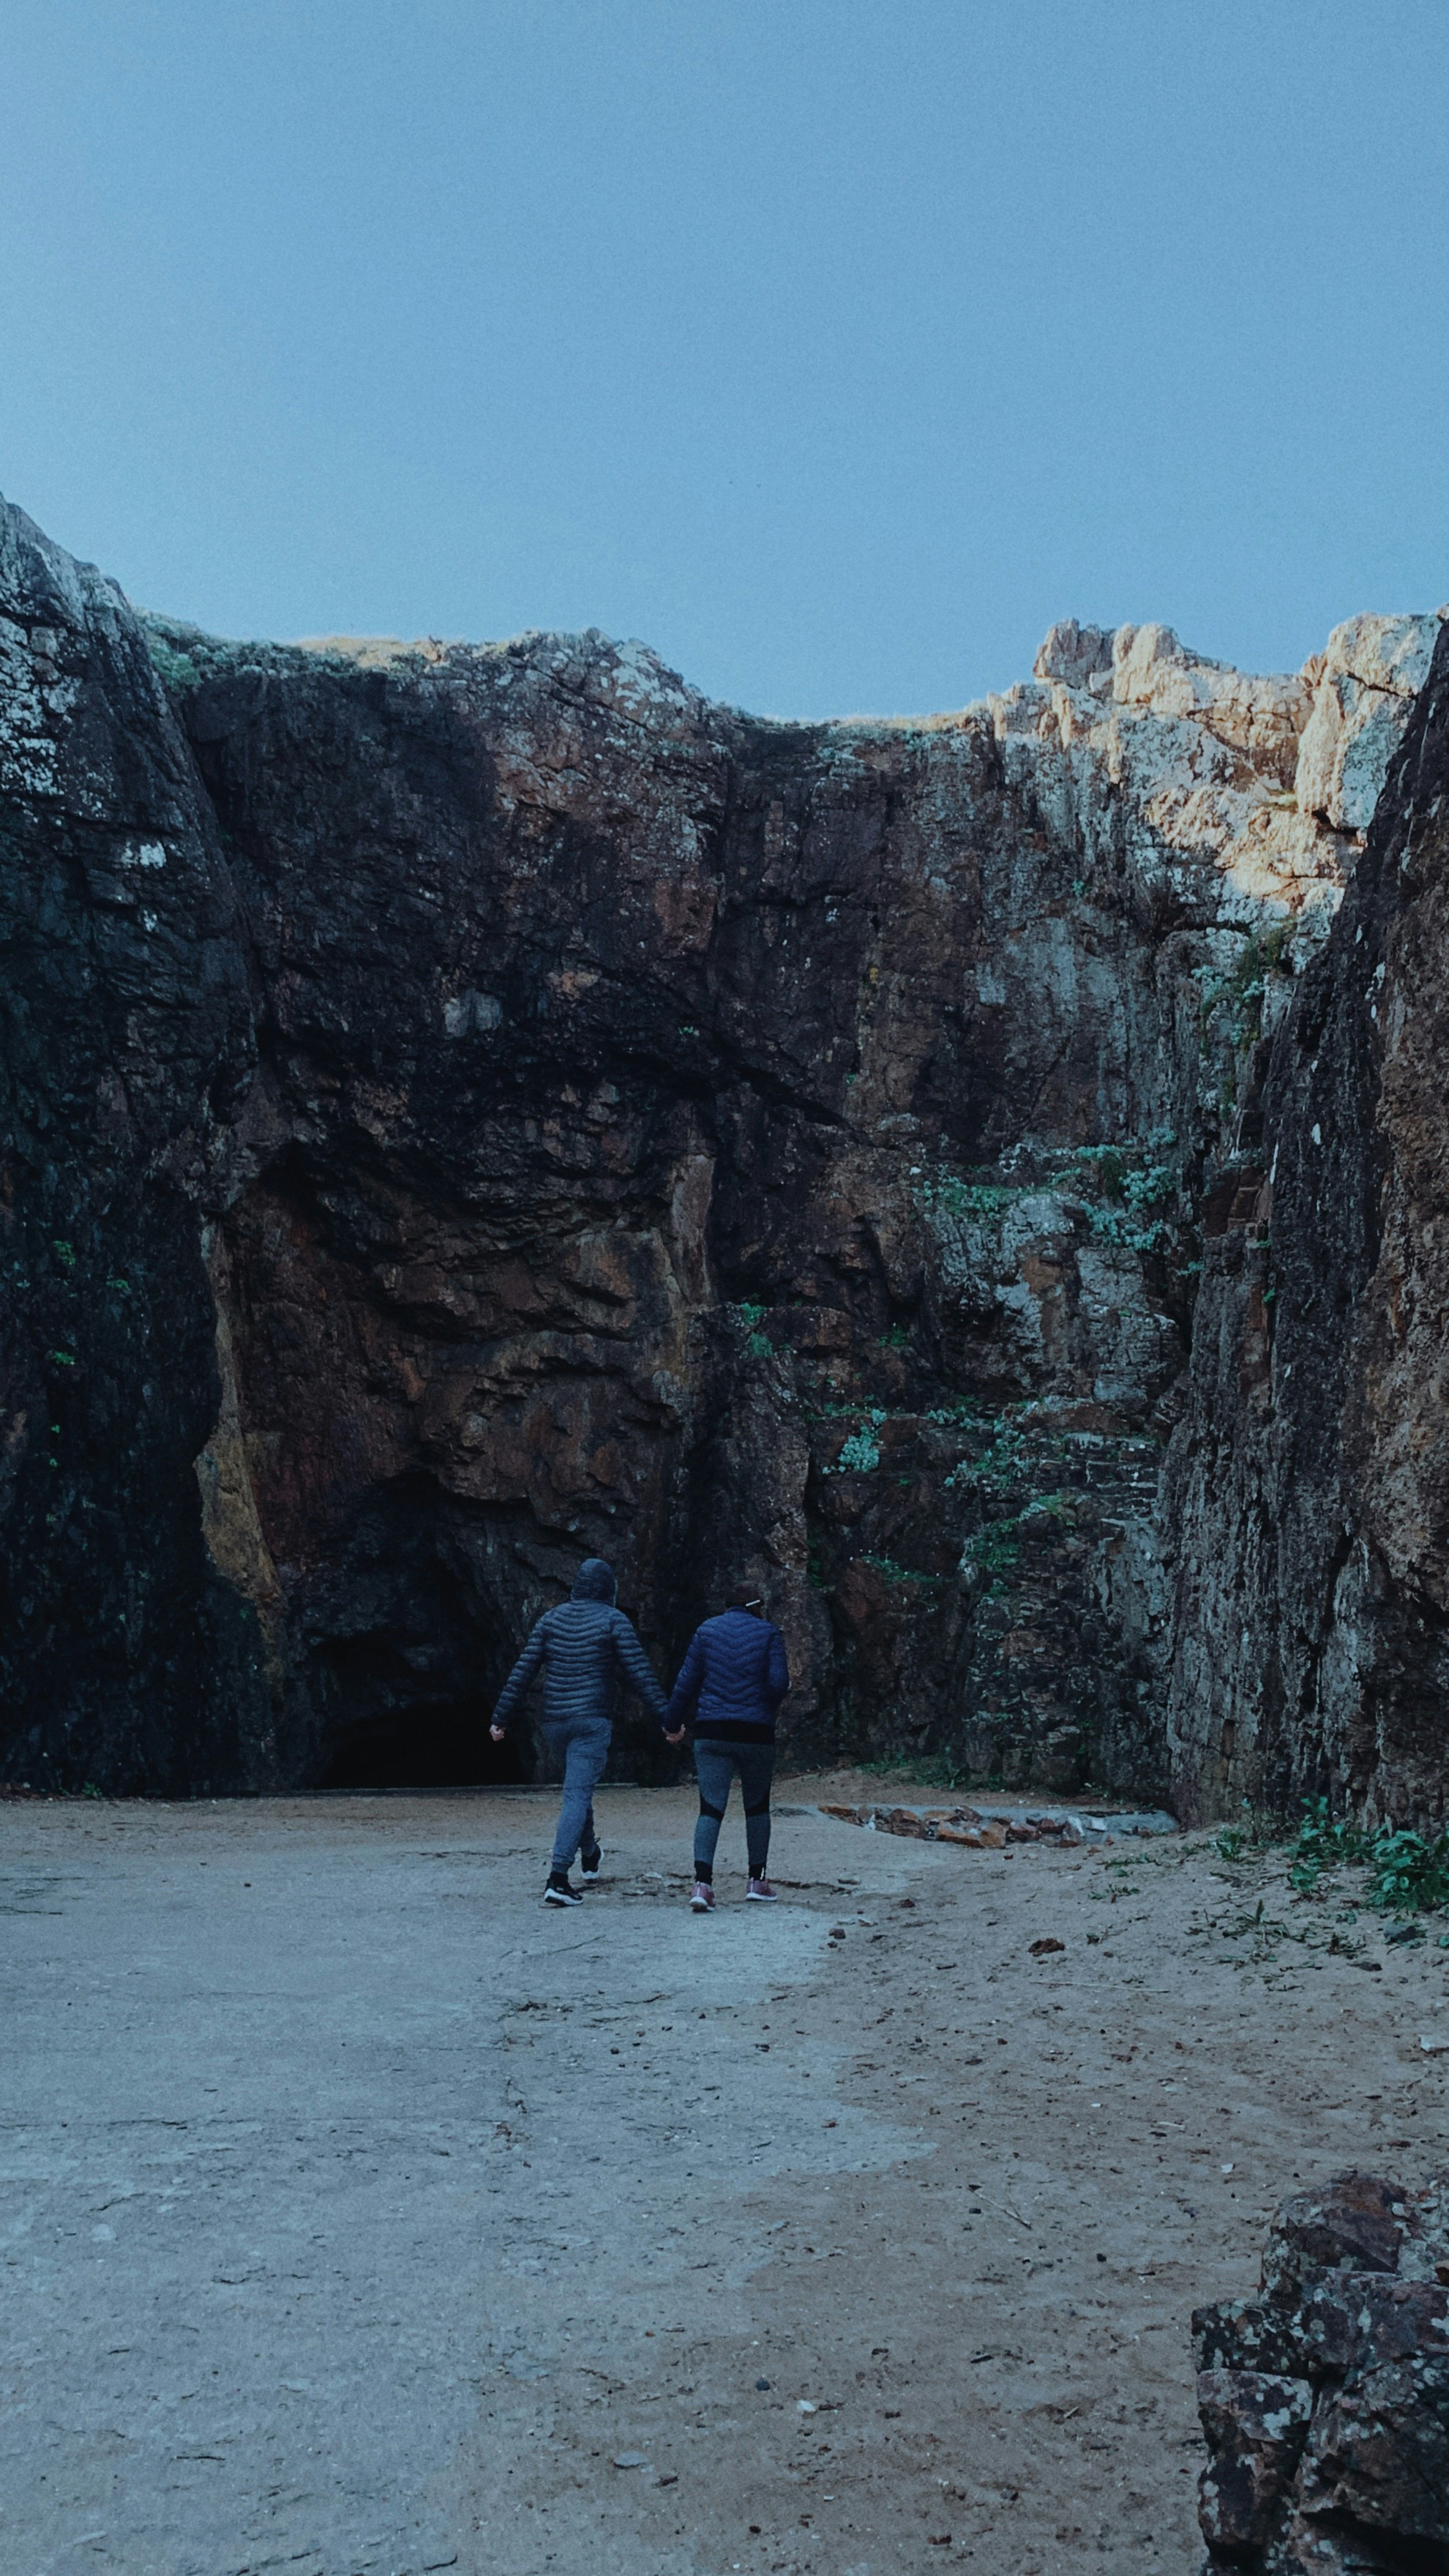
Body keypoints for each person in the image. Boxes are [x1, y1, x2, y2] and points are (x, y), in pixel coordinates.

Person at [490, 1558, 678, 1907]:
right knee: (576, 1795)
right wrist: (668, 1720)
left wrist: (501, 1718)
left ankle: (590, 1854)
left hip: (555, 1724)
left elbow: (523, 1671)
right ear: (609, 1589)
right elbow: (640, 1674)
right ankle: (558, 1879)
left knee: (579, 1788)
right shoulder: (613, 1620)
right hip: (592, 1721)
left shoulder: (551, 1619)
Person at [664, 1583, 789, 1910]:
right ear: (754, 1605)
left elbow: (686, 1682)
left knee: (710, 1807)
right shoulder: (769, 1634)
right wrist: (765, 1705)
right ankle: (757, 1881)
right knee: (757, 1807)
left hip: (712, 1732)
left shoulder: (707, 1631)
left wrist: (670, 1723)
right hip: (756, 1734)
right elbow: (778, 1683)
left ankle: (702, 1886)